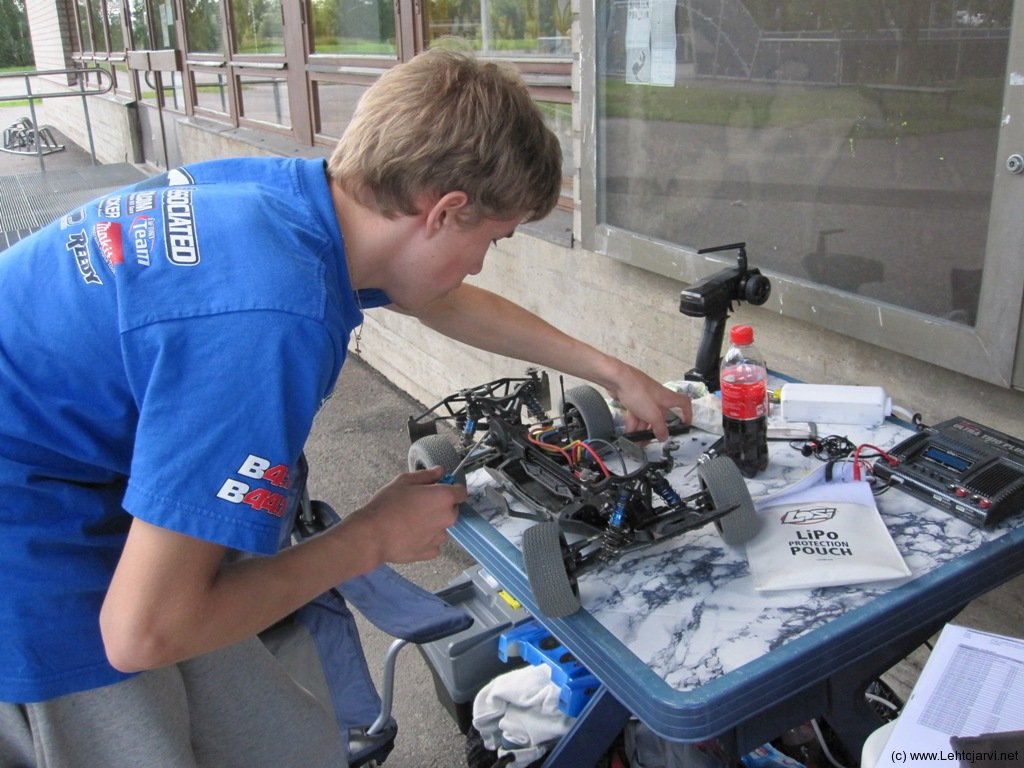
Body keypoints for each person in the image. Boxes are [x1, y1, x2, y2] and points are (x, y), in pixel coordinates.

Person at [0, 48, 691, 766]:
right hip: (34, 551)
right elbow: (143, 633)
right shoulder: (268, 319)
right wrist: (369, 539)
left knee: (278, 733)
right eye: (490, 240)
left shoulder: (289, 201)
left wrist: (615, 373)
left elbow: (442, 300)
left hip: (87, 482)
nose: (479, 264)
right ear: (445, 210)